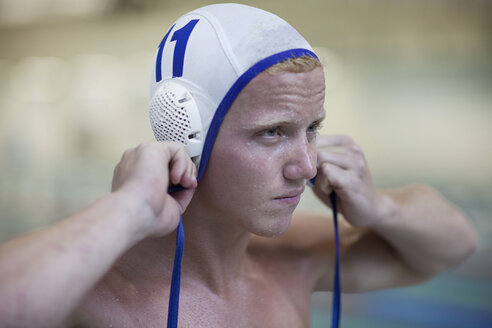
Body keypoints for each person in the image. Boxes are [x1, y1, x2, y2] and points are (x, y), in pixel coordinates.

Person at [0, 4, 478, 328]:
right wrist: (125, 211)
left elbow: (455, 245)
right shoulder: (96, 293)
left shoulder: (295, 262)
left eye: (311, 128)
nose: (307, 166)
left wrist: (377, 208)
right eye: (272, 133)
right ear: (185, 133)